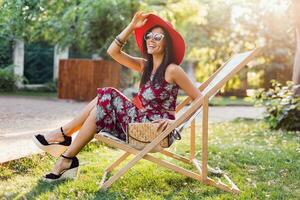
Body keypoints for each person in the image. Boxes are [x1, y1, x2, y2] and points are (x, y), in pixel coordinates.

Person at [33, 11, 202, 182]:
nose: (151, 40)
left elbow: (200, 99)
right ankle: (66, 158)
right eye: (149, 36)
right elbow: (113, 51)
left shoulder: (173, 70)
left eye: (157, 37)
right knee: (99, 109)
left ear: (168, 43)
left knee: (108, 94)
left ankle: (63, 137)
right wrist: (131, 26)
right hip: (140, 125)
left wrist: (175, 123)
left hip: (155, 132)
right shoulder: (145, 66)